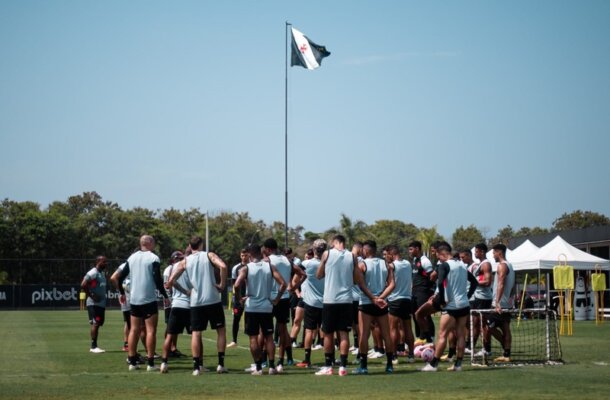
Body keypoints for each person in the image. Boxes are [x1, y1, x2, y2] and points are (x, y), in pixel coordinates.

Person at [315, 235, 381, 376]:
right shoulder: (352, 256)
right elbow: (357, 279)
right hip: (346, 300)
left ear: (335, 242)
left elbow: (319, 275)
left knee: (328, 333)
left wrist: (326, 266)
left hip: (330, 299)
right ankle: (343, 367)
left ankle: (328, 366)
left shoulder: (327, 253)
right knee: (344, 334)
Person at [167, 236, 228, 375]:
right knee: (221, 331)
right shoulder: (209, 255)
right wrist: (222, 285)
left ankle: (196, 367)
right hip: (212, 299)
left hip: (195, 302)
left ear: (190, 245)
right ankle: (220, 364)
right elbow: (223, 266)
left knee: (196, 333)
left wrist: (171, 283)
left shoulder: (186, 260)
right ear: (201, 245)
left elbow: (172, 278)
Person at [421, 244, 477, 372]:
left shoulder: (444, 265)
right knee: (461, 334)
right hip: (464, 305)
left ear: (442, 254)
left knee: (442, 335)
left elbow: (440, 282)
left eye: (438, 256)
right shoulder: (463, 265)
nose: (438, 260)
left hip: (451, 306)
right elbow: (474, 282)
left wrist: (441, 300)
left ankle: (433, 365)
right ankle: (458, 365)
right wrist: (467, 296)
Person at [117, 235, 170, 371]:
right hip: (149, 299)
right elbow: (157, 279)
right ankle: (151, 363)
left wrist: (122, 293)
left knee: (134, 330)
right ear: (150, 243)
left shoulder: (132, 258)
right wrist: (165, 295)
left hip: (134, 300)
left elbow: (120, 277)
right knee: (151, 330)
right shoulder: (153, 258)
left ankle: (132, 362)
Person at [233, 244, 287, 375]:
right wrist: (277, 299)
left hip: (252, 307)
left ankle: (258, 367)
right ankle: (272, 367)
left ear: (250, 255)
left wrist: (240, 299)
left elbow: (236, 285)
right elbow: (284, 284)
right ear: (261, 253)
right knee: (269, 337)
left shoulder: (246, 268)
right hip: (266, 306)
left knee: (253, 338)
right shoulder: (269, 266)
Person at [262, 238, 305, 371]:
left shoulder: (268, 261)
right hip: (285, 298)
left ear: (268, 249)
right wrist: (293, 288)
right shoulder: (287, 260)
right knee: (282, 330)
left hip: (271, 298)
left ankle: (265, 361)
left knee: (266, 333)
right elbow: (303, 274)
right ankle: (281, 361)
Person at [354, 240, 396, 374]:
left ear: (365, 251)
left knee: (364, 335)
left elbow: (360, 284)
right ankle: (389, 365)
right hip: (381, 303)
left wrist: (373, 298)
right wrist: (381, 298)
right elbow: (392, 284)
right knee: (386, 335)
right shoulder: (386, 264)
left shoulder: (362, 264)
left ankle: (363, 366)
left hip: (367, 303)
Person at [295, 239, 327, 368]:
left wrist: (292, 287)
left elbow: (296, 275)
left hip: (311, 302)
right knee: (326, 331)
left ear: (313, 250)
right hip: (326, 302)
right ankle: (328, 359)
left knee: (309, 331)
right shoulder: (329, 263)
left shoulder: (306, 263)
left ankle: (307, 360)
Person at [483, 243, 515, 363]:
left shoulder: (502, 266)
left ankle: (503, 344)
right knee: (505, 327)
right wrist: (510, 299)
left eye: (494, 253)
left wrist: (497, 302)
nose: (493, 256)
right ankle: (506, 354)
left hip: (499, 304)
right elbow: (512, 286)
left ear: (499, 252)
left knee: (487, 327)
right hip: (506, 303)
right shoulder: (510, 266)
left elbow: (501, 284)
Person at [160, 251, 192, 373]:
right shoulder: (184, 268)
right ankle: (198, 364)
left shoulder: (172, 268)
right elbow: (168, 285)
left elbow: (170, 283)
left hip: (175, 303)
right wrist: (187, 292)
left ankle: (165, 361)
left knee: (170, 332)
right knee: (195, 334)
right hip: (186, 304)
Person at [385, 245, 415, 363]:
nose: (386, 257)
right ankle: (411, 355)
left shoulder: (392, 266)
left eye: (387, 255)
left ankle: (394, 356)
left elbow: (389, 282)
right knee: (408, 327)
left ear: (391, 254)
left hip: (394, 300)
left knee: (393, 328)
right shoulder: (407, 263)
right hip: (407, 299)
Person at [409, 241, 436, 345]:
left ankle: (431, 338)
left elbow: (432, 276)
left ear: (417, 249)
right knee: (415, 315)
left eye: (411, 249)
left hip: (423, 292)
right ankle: (421, 336)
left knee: (424, 315)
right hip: (415, 292)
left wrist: (429, 290)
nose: (409, 251)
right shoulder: (415, 260)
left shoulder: (425, 261)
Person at [467, 243, 493, 353]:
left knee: (483, 324)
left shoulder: (486, 264)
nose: (474, 253)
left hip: (483, 297)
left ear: (482, 252)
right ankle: (471, 347)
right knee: (476, 323)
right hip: (478, 297)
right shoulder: (480, 264)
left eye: (476, 252)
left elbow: (487, 282)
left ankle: (487, 349)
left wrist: (474, 282)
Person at [81, 255, 108, 353]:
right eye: (104, 262)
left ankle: (95, 346)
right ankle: (93, 346)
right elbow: (83, 284)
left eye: (106, 262)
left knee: (98, 323)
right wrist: (92, 295)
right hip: (93, 304)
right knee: (95, 323)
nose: (106, 263)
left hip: (100, 304)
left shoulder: (101, 273)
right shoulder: (93, 272)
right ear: (98, 262)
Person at [228, 248, 249, 348]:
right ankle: (234, 340)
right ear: (240, 256)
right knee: (236, 319)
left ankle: (252, 339)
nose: (244, 257)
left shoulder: (252, 266)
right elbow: (234, 284)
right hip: (238, 298)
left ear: (249, 255)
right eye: (242, 255)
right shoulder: (235, 268)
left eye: (246, 255)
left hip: (250, 297)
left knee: (250, 319)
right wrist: (238, 297)